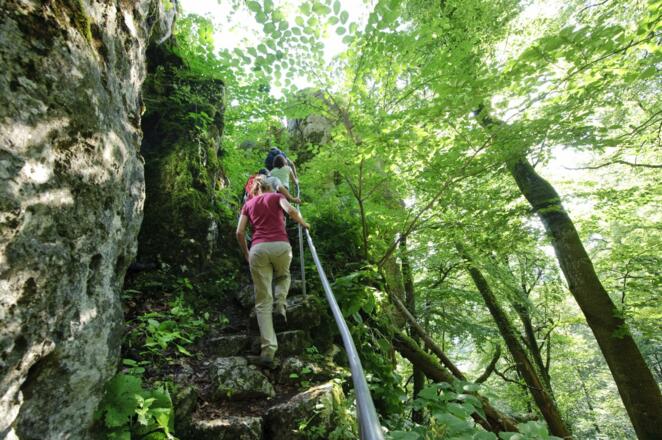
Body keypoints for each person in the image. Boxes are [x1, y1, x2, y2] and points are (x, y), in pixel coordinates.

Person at [236, 175, 310, 368]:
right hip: (280, 245)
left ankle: (268, 349)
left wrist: (247, 253)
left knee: (262, 300)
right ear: (271, 186)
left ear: (256, 189)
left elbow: (240, 232)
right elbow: (292, 211)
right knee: (284, 276)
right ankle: (280, 303)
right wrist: (304, 224)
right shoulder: (277, 197)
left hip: (258, 249)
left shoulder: (249, 204)